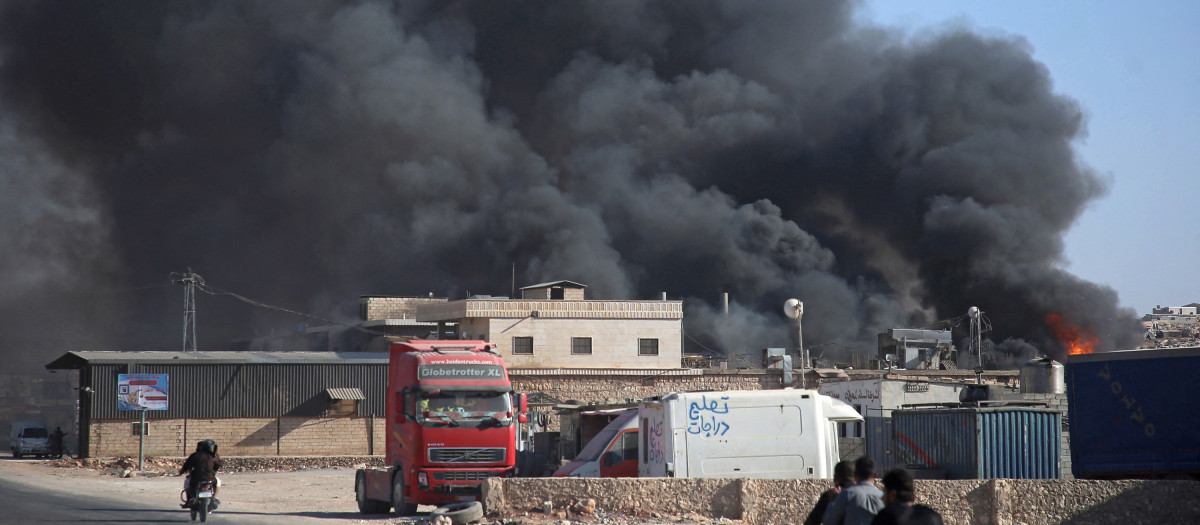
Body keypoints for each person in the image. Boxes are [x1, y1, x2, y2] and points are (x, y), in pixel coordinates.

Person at [822, 456, 885, 525]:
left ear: (854, 475)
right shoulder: (883, 497)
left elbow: (829, 522)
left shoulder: (847, 494)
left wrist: (832, 502)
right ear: (875, 475)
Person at [871, 469, 944, 525]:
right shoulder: (933, 517)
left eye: (885, 493)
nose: (882, 498)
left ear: (892, 494)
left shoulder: (885, 517)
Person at [804, 460, 854, 525]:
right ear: (855, 478)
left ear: (835, 478)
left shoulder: (830, 496)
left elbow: (812, 521)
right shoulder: (863, 495)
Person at [179, 439, 222, 509]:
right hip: (211, 479)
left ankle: (190, 499)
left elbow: (187, 465)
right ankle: (213, 497)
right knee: (218, 482)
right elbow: (218, 465)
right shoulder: (214, 457)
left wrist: (182, 471)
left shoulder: (195, 455)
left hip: (196, 478)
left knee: (187, 482)